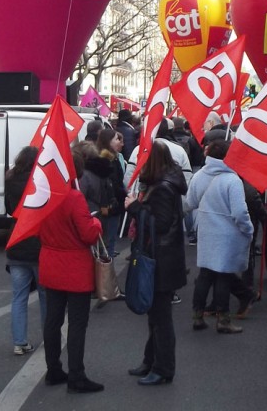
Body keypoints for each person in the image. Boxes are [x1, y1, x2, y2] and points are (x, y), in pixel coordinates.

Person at [39, 151, 104, 393]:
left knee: (53, 320)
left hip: (50, 262)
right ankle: (77, 375)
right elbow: (88, 233)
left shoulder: (45, 195)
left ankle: (53, 369)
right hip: (74, 268)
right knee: (77, 323)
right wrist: (96, 223)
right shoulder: (74, 197)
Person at [126, 141, 188, 386]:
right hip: (162, 257)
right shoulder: (162, 183)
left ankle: (163, 368)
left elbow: (159, 224)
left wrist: (135, 208)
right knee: (156, 316)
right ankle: (150, 361)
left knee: (161, 319)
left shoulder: (162, 187)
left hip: (162, 259)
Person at [186, 139, 254, 334]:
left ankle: (197, 315)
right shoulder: (232, 180)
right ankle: (223, 320)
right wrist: (248, 230)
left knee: (205, 274)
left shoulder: (200, 175)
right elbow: (240, 212)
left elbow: (190, 201)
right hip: (227, 233)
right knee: (223, 275)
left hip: (207, 230)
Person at [4, 146, 45, 356]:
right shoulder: (41, 181)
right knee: (46, 295)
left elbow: (10, 209)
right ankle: (50, 337)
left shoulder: (10, 179)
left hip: (17, 239)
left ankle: (19, 341)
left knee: (19, 296)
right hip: (38, 241)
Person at [96, 128, 127, 255]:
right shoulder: (107, 161)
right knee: (109, 241)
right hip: (111, 206)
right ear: (108, 142)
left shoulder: (112, 158)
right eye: (116, 139)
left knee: (108, 240)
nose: (119, 142)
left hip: (111, 205)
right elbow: (113, 185)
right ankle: (106, 272)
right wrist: (125, 193)